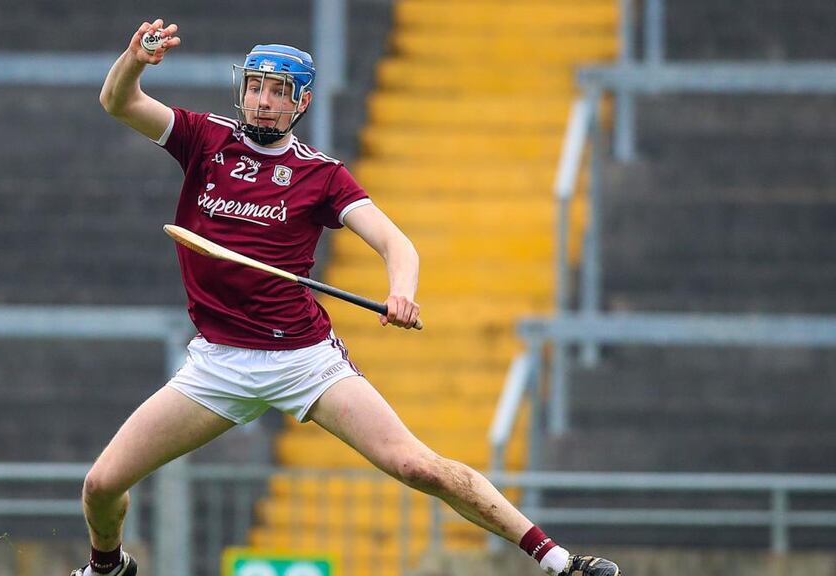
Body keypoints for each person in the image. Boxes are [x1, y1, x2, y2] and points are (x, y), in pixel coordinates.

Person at [72, 19, 622, 576]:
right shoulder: (202, 138)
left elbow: (395, 242)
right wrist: (135, 60)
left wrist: (401, 291)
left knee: (417, 466)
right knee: (102, 485)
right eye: (256, 87)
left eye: (278, 91)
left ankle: (560, 561)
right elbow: (119, 102)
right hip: (218, 361)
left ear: (302, 101)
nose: (263, 101)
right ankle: (108, 568)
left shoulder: (322, 175)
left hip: (303, 359)